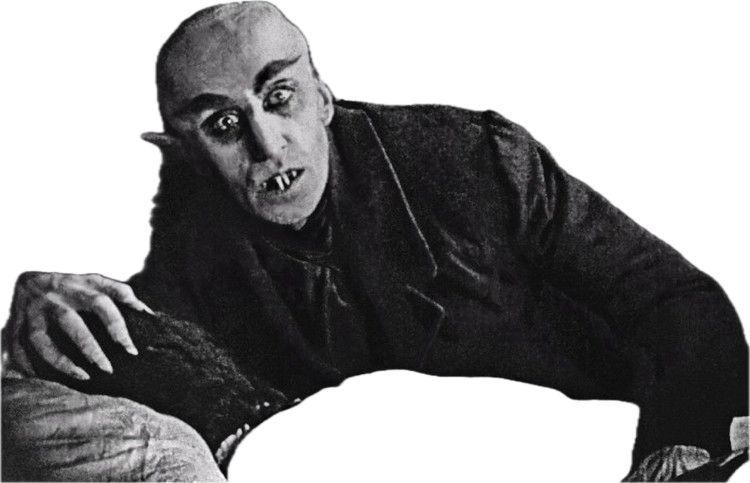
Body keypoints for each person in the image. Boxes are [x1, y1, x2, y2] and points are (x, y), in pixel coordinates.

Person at [2, 1, 747, 481]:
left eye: (280, 97)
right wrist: (43, 299)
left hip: (589, 437)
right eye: (224, 125)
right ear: (186, 154)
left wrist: (676, 455)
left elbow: (674, 298)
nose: (268, 144)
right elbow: (152, 338)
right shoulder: (197, 228)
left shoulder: (476, 162)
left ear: (324, 97)